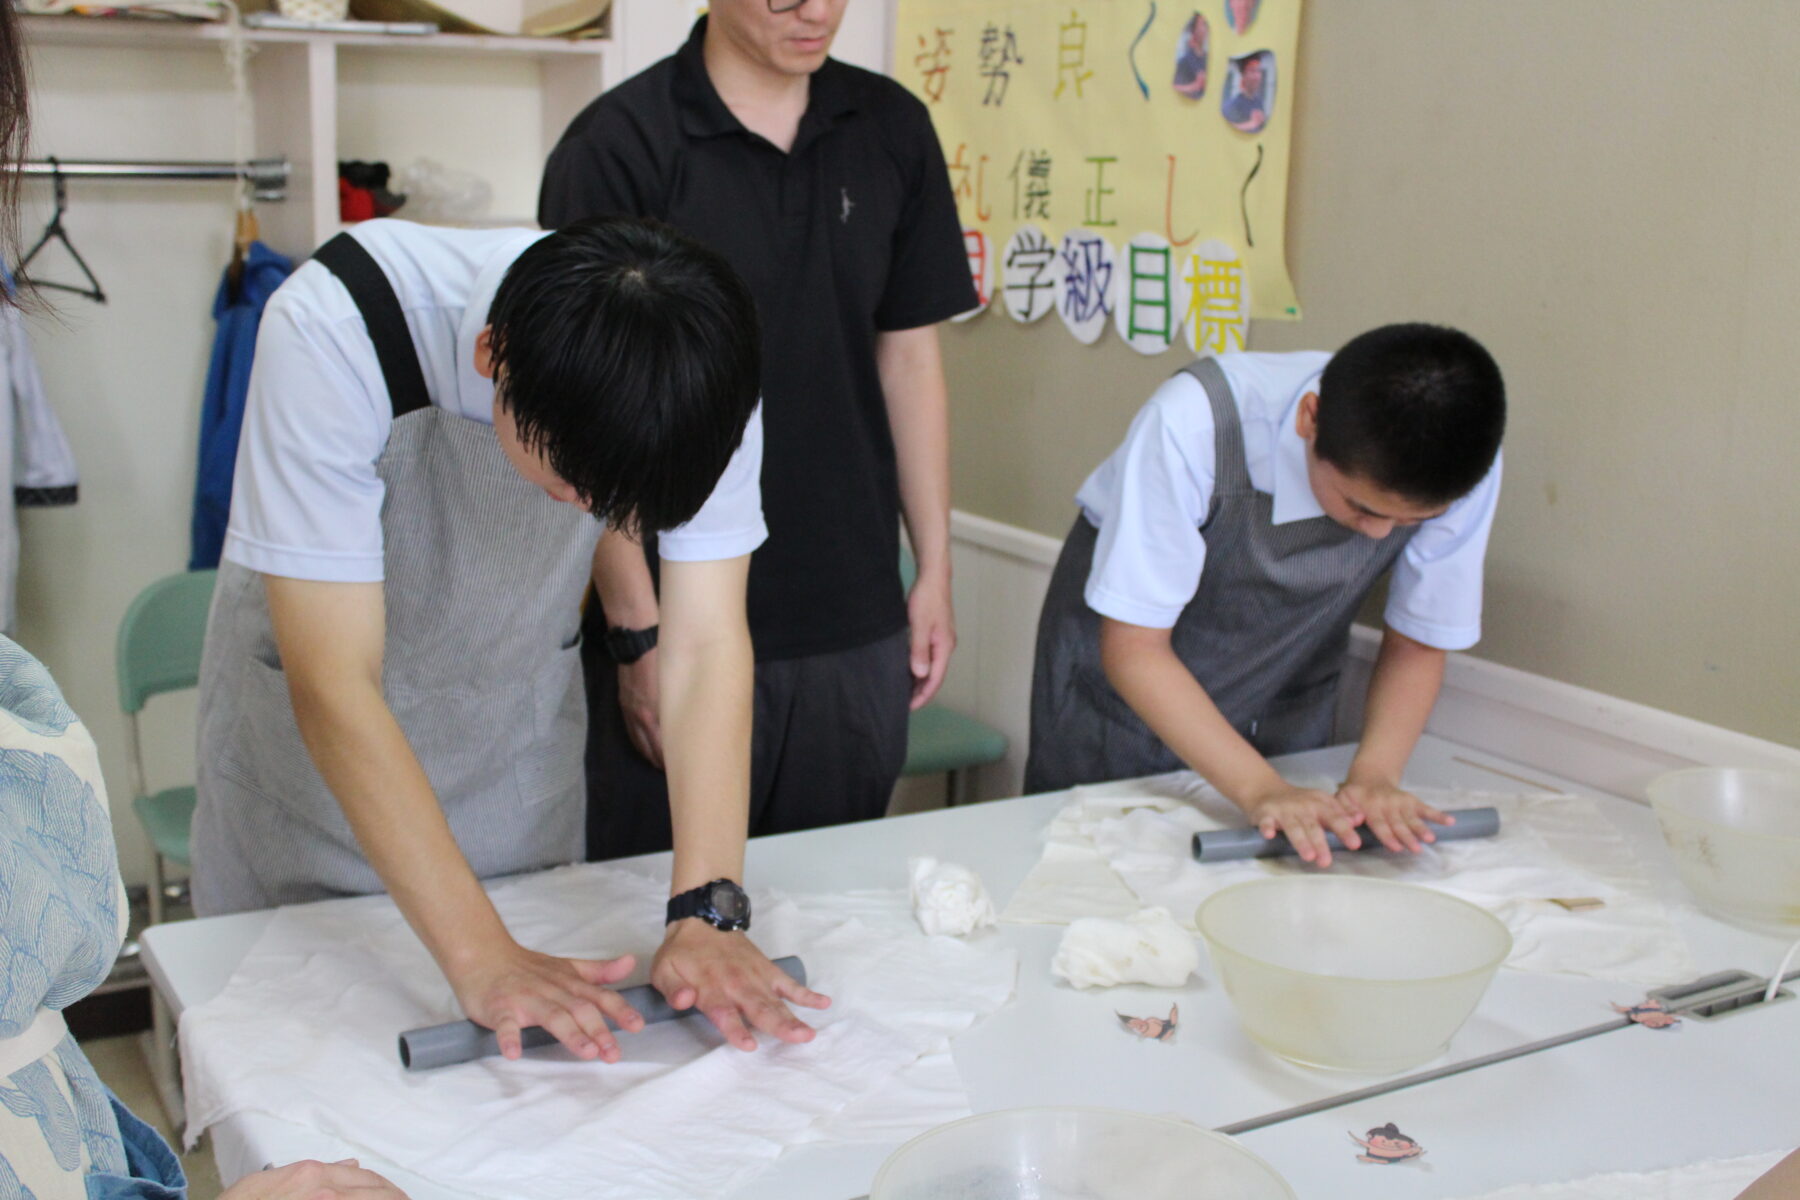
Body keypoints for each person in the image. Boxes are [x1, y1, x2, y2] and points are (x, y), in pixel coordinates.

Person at [191, 214, 829, 1063]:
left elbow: (708, 643)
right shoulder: (338, 327)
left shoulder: (701, 369)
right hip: (312, 798)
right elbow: (334, 682)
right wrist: (480, 956)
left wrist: (707, 909)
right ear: (493, 357)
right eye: (574, 486)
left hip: (512, 771)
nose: (591, 516)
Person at [539, 0, 975, 860]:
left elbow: (910, 361)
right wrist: (637, 634)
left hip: (851, 619)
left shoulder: (890, 127)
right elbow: (586, 409)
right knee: (660, 916)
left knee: (829, 908)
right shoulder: (619, 145)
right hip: (677, 618)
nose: (815, 12)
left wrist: (933, 570)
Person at [1026, 326, 1506, 866]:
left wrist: (1375, 776)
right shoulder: (1194, 422)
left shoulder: (1457, 466)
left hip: (1288, 678)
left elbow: (1419, 641)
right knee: (1097, 870)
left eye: (1413, 521)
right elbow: (1135, 649)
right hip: (1126, 687)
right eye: (1364, 509)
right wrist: (1261, 790)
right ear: (1309, 419)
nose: (1379, 536)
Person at [1222, 52, 1273, 133]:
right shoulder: (1232, 106)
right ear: (1244, 75)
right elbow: (1225, 131)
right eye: (1252, 71)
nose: (1257, 76)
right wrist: (1251, 124)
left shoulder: (1259, 103)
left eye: (1258, 71)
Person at [1172, 12, 1209, 99]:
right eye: (1203, 24)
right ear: (1194, 31)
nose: (1206, 29)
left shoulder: (1207, 59)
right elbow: (1175, 88)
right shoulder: (1184, 61)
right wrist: (1195, 85)